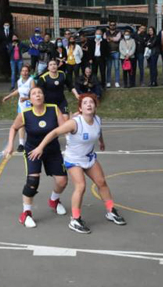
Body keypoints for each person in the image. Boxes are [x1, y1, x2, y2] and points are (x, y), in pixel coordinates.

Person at [27, 93, 125, 233]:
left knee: (101, 182)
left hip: (88, 157)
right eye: (85, 103)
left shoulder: (97, 119)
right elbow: (54, 133)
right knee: (81, 186)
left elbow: (98, 131)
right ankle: (75, 220)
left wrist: (101, 142)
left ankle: (111, 210)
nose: (89, 104)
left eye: (91, 102)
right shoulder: (75, 123)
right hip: (74, 159)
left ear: (95, 106)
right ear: (80, 108)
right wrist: (40, 147)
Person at [3, 86, 68, 228]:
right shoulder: (25, 114)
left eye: (40, 92)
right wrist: (10, 145)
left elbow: (64, 128)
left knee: (62, 181)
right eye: (34, 94)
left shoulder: (53, 109)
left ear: (44, 96)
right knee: (33, 182)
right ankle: (26, 213)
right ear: (30, 99)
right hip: (33, 150)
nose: (37, 95)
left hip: (52, 150)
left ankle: (54, 200)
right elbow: (13, 128)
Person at [2, 65, 35, 152]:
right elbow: (18, 90)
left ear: (29, 72)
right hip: (21, 105)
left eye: (26, 71)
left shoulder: (31, 81)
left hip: (30, 104)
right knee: (21, 123)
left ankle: (34, 141)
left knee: (31, 123)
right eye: (23, 71)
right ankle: (21, 144)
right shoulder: (19, 81)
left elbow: (34, 94)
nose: (24, 72)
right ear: (20, 72)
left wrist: (27, 99)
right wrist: (8, 96)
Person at [104, 21, 122, 88]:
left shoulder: (118, 32)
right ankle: (108, 82)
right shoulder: (106, 32)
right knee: (109, 68)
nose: (112, 26)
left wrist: (110, 38)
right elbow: (105, 39)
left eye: (113, 25)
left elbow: (117, 39)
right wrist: (112, 39)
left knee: (117, 68)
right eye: (111, 25)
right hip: (108, 52)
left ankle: (117, 82)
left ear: (115, 25)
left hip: (116, 52)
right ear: (109, 25)